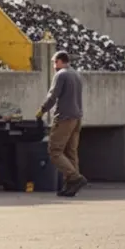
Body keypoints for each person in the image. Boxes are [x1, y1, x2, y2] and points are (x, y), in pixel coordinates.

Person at [37, 50, 87, 197]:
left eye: (54, 62)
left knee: (55, 151)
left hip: (64, 118)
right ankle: (71, 186)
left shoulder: (61, 74)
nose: (53, 65)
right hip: (77, 118)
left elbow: (53, 96)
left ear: (60, 61)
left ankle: (75, 177)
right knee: (71, 152)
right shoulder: (76, 75)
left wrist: (42, 110)